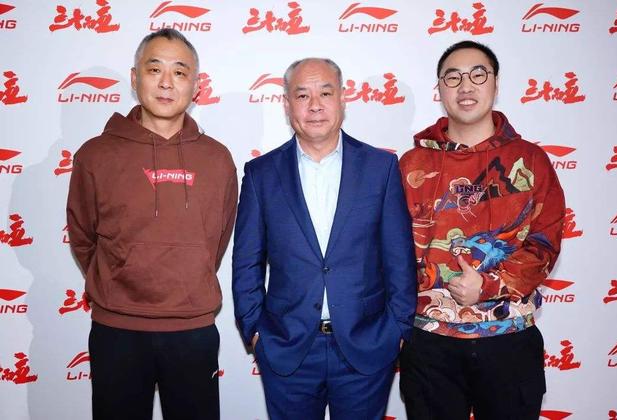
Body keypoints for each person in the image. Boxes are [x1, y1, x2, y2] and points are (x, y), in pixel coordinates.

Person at [66, 28, 237, 420]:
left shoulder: (217, 159)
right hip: (117, 331)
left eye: (180, 72)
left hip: (193, 330)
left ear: (196, 84)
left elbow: (216, 240)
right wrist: (119, 274)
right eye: (154, 68)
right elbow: (82, 236)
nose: (166, 82)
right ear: (134, 77)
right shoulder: (96, 155)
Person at [232, 57, 416, 420]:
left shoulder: (380, 168)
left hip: (367, 347)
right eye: (302, 95)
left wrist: (397, 328)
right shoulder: (261, 174)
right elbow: (246, 262)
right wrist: (256, 331)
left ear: (343, 98)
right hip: (288, 349)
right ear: (287, 105)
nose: (314, 105)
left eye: (325, 93)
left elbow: (399, 257)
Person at [399, 40, 565, 420]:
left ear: (495, 83)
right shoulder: (413, 164)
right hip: (430, 344)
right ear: (439, 88)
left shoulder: (530, 160)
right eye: (453, 77)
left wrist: (489, 285)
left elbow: (544, 242)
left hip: (508, 341)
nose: (465, 86)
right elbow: (391, 250)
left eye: (478, 74)